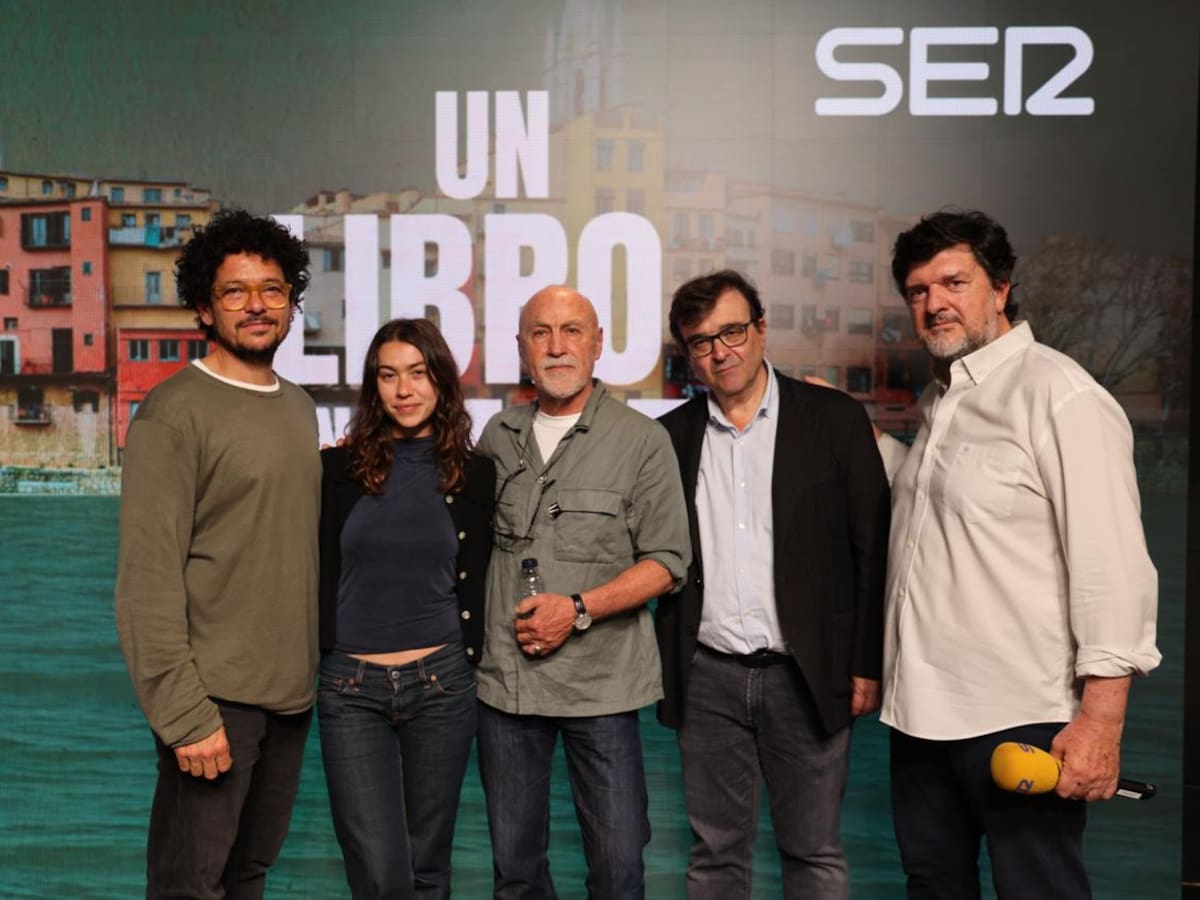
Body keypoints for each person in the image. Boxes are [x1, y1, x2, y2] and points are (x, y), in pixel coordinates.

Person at [880, 209, 1160, 898]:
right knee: (933, 886)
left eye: (953, 282)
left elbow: (1114, 565)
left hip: (1020, 715)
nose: (934, 302)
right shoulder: (940, 398)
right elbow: (941, 510)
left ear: (1000, 289)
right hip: (918, 716)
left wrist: (1100, 722)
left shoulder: (1059, 395)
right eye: (918, 291)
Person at [655, 270, 890, 899]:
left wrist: (867, 662)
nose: (720, 351)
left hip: (807, 673)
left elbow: (874, 548)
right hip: (707, 677)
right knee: (715, 855)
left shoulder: (834, 419)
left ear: (761, 328)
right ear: (689, 354)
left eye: (732, 331)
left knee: (813, 852)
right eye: (701, 342)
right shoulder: (671, 438)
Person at [114, 209, 319, 899]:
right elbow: (146, 582)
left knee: (248, 878)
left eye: (273, 288)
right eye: (236, 292)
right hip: (212, 706)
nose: (257, 306)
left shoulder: (297, 406)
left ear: (292, 302)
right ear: (204, 306)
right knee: (187, 887)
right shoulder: (174, 414)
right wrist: (184, 716)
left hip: (290, 700)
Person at [474, 284, 691, 899]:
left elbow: (668, 562)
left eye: (573, 331)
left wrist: (576, 610)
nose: (557, 346)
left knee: (619, 868)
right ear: (522, 350)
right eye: (541, 332)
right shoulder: (497, 435)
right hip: (506, 689)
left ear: (598, 345)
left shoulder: (641, 441)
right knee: (515, 873)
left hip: (602, 688)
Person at [317, 318, 495, 899]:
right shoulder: (335, 472)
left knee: (428, 867)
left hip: (442, 684)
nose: (404, 389)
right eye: (389, 375)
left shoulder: (474, 475)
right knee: (379, 872)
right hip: (350, 689)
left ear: (441, 380)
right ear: (373, 387)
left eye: (418, 373)